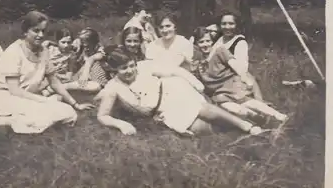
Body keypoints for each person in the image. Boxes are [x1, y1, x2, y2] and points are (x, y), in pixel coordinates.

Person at [0, 11, 94, 135]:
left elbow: (54, 81)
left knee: (69, 113)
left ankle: (12, 121)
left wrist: (76, 104)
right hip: (6, 99)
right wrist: (43, 101)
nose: (41, 35)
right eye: (36, 31)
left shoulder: (44, 51)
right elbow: (15, 90)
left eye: (43, 31)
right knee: (49, 114)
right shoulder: (13, 52)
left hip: (29, 97)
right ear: (25, 31)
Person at [95, 47, 265, 136]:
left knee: (201, 108)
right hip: (160, 111)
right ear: (114, 70)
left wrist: (196, 83)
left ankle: (247, 126)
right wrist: (121, 124)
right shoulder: (113, 87)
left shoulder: (144, 67)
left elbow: (174, 71)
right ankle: (241, 118)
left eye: (131, 65)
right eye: (124, 68)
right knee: (200, 128)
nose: (130, 70)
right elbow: (102, 115)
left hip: (173, 90)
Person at [191, 27, 288, 123]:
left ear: (212, 42)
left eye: (207, 41)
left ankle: (279, 116)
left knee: (247, 102)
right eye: (201, 42)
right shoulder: (198, 64)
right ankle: (257, 118)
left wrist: (245, 79)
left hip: (232, 85)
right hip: (220, 95)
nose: (205, 45)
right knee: (232, 108)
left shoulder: (220, 51)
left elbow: (235, 65)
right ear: (196, 44)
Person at [41, 28, 104, 95]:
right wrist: (50, 42)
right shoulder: (78, 46)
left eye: (88, 44)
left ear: (94, 42)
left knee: (95, 83)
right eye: (83, 43)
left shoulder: (100, 50)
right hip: (75, 76)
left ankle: (56, 88)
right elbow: (64, 45)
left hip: (87, 74)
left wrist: (85, 73)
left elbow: (91, 59)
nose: (86, 47)